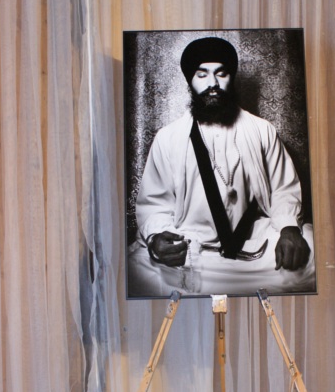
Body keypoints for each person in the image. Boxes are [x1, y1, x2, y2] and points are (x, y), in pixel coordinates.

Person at [128, 36, 316, 297]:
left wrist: (288, 228)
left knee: (312, 253)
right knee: (137, 271)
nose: (213, 83)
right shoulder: (168, 138)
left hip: (253, 244)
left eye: (221, 73)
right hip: (192, 248)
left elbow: (283, 189)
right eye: (202, 74)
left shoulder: (262, 130)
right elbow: (154, 204)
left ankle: (212, 288)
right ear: (190, 81)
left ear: (231, 77)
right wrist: (158, 236)